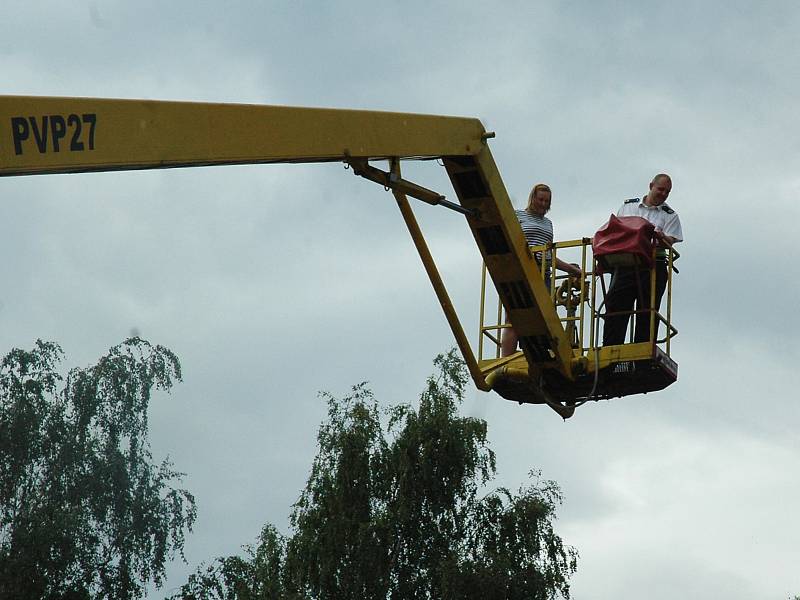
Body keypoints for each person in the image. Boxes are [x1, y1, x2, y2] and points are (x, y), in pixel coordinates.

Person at [501, 183, 582, 357]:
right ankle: (506, 360)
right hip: (522, 270)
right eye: (540, 199)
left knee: (543, 319)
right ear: (532, 198)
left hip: (542, 274)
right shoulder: (518, 216)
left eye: (547, 200)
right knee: (513, 318)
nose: (544, 203)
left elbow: (548, 256)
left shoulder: (548, 224)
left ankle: (538, 356)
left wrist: (570, 269)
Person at [602, 173, 683, 346]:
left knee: (648, 310)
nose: (663, 194)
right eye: (660, 189)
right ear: (651, 185)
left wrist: (662, 238)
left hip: (653, 266)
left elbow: (671, 241)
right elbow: (617, 231)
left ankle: (642, 349)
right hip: (627, 263)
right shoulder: (628, 207)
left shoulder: (670, 216)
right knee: (616, 305)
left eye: (667, 192)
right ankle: (610, 348)